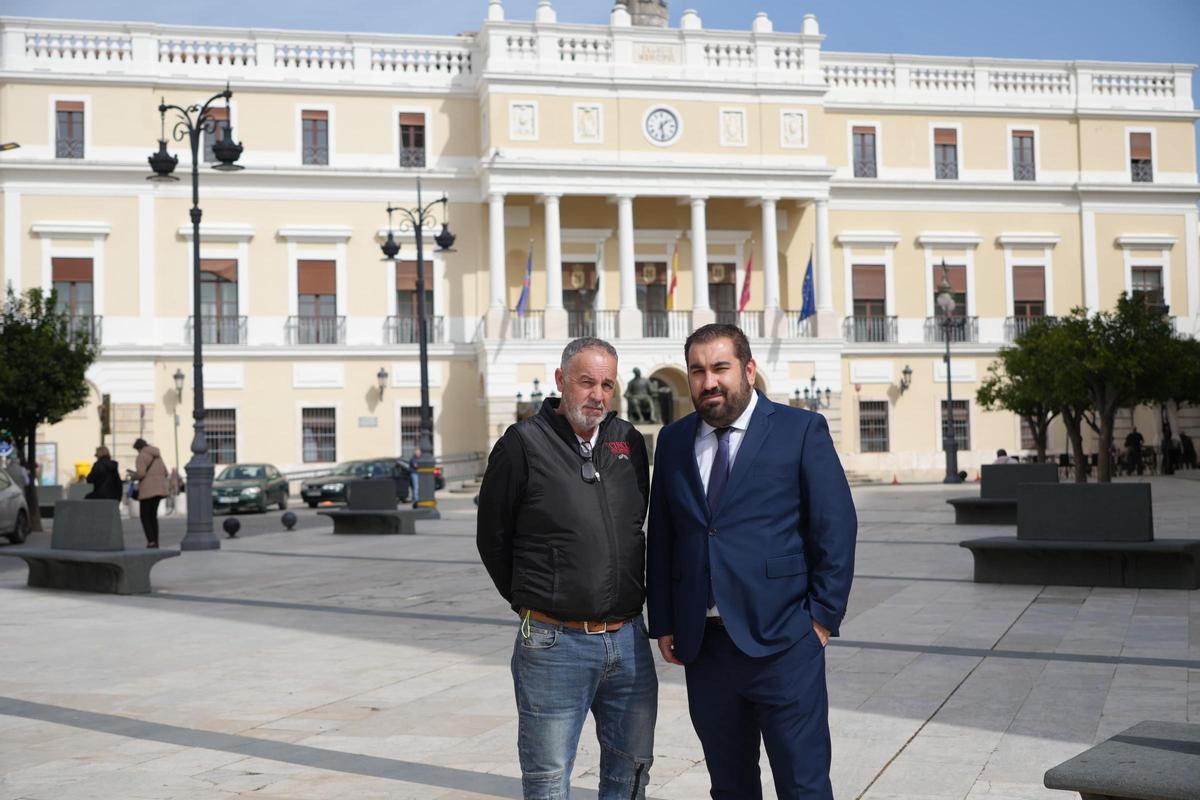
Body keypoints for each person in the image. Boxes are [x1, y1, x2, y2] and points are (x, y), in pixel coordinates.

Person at [646, 324, 857, 800]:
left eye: (720, 368)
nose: (708, 382)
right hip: (706, 649)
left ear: (748, 369)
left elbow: (836, 526)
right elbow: (663, 537)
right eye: (697, 371)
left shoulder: (799, 430)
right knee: (730, 786)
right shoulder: (674, 440)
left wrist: (821, 619)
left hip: (785, 643)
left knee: (803, 785)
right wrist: (664, 621)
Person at [477, 337, 655, 800]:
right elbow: (492, 538)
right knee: (549, 781)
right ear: (561, 380)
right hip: (554, 644)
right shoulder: (521, 445)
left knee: (631, 775)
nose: (597, 395)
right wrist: (535, 600)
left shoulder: (628, 442)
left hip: (628, 642)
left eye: (607, 385)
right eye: (586, 382)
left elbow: (635, 524)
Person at [130, 438, 168, 548]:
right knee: (153, 517)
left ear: (138, 448)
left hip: (147, 490)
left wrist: (133, 475)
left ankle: (151, 541)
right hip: (159, 489)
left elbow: (141, 474)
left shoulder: (141, 456)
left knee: (145, 516)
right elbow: (165, 472)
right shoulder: (157, 456)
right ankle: (155, 541)